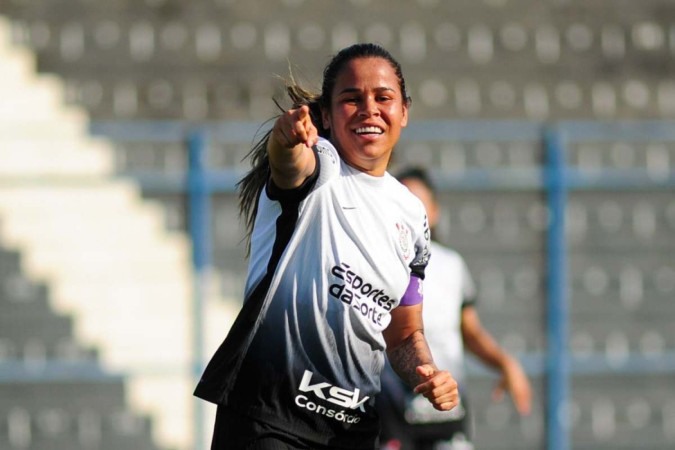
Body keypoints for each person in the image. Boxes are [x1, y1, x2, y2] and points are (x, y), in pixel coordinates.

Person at [194, 43, 460, 450]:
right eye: (352, 99)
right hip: (269, 415)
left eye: (383, 98)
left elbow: (404, 334)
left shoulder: (411, 214)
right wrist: (285, 139)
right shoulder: (321, 164)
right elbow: (289, 163)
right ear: (325, 115)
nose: (369, 109)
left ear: (404, 111)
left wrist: (427, 372)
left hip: (350, 431)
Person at [376, 167, 532, 450]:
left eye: (419, 204)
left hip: (445, 408)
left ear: (434, 213)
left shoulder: (452, 265)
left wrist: (504, 362)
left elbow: (469, 331)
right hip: (390, 408)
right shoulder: (373, 263)